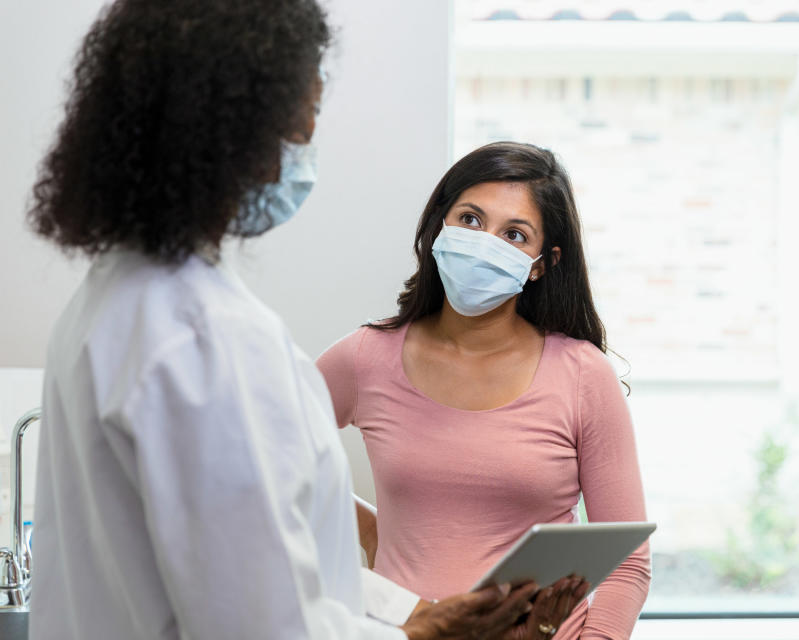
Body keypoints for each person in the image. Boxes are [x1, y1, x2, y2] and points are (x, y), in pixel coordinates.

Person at [25, 1, 586, 638]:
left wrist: (417, 614)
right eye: (303, 119)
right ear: (237, 129)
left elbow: (264, 561)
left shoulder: (113, 300)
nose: (305, 146)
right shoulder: (207, 340)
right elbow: (263, 622)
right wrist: (415, 634)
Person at [316, 141, 652, 639]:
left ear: (541, 262)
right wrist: (369, 531)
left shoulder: (583, 374)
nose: (485, 242)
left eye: (514, 234)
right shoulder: (365, 357)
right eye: (471, 220)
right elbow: (268, 468)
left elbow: (627, 565)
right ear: (439, 224)